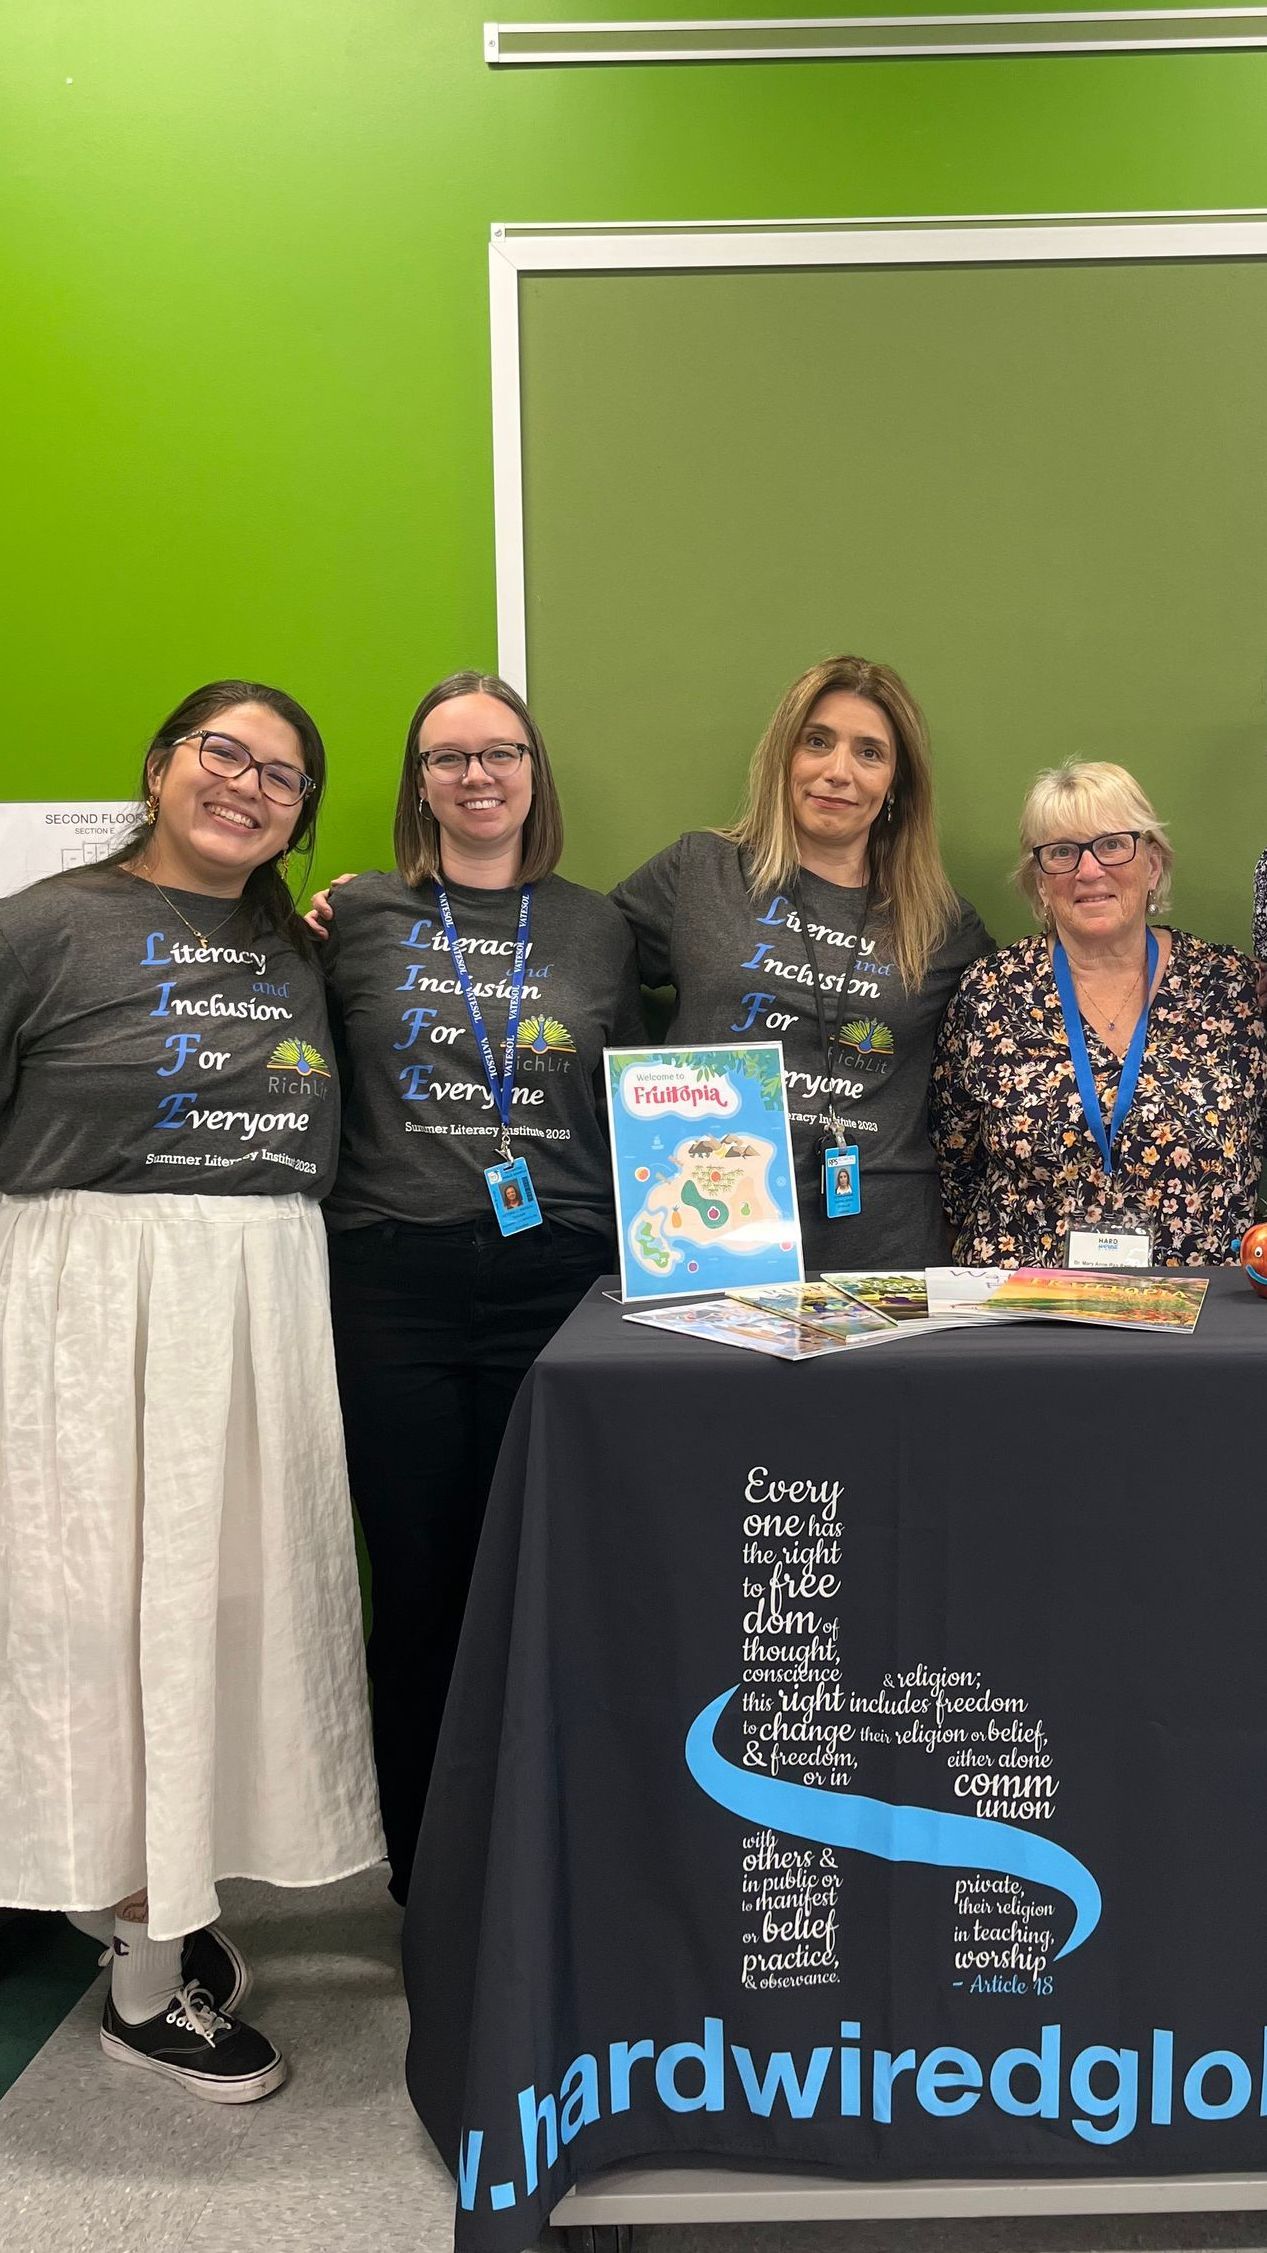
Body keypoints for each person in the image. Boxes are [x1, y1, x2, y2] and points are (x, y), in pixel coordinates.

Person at [0, 681, 383, 2103]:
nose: (247, 784)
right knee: (99, 1618)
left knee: (222, 1615)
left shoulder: (297, 938)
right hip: (91, 1300)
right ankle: (140, 1981)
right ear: (160, 766)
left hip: (258, 1296)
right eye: (223, 753)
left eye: (283, 775)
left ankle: (164, 1898)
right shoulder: (42, 924)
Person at [318, 670, 643, 1903]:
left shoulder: (601, 927)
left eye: (499, 752)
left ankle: (546, 1844)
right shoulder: (355, 917)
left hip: (557, 1275)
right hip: (391, 1279)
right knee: (413, 1582)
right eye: (447, 758)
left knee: (546, 1573)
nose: (476, 776)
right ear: (419, 783)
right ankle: (427, 1871)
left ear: (532, 770)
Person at [610, 655, 992, 1271]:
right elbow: (577, 983)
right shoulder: (699, 872)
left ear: (896, 783)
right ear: (783, 756)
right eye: (817, 742)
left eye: (870, 753)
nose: (839, 772)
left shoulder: (943, 923)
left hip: (884, 1245)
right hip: (709, 1234)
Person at [930, 760, 1267, 1265]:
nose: (1089, 870)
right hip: (1023, 1315)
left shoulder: (1233, 989)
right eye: (1062, 852)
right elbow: (954, 1161)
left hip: (1201, 1316)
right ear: (1041, 882)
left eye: (1113, 844)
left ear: (1152, 865)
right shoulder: (989, 992)